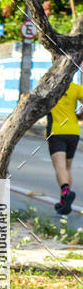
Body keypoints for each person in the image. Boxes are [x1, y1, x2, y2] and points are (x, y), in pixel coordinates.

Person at [46, 81, 83, 215]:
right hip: (73, 131)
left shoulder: (50, 85)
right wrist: (80, 116)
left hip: (56, 132)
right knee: (67, 168)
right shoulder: (76, 88)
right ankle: (64, 202)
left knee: (60, 167)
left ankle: (66, 192)